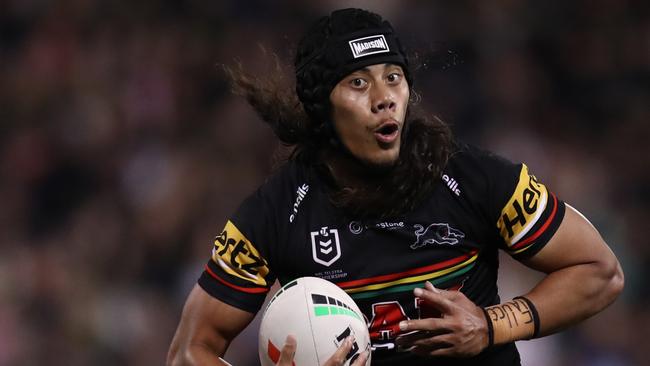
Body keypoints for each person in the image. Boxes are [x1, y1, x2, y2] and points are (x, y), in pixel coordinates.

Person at [167, 8, 624, 366]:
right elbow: (189, 351)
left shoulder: (472, 178)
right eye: (359, 82)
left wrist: (491, 325)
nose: (384, 96)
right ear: (321, 108)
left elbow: (599, 271)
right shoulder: (275, 213)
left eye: (393, 77)